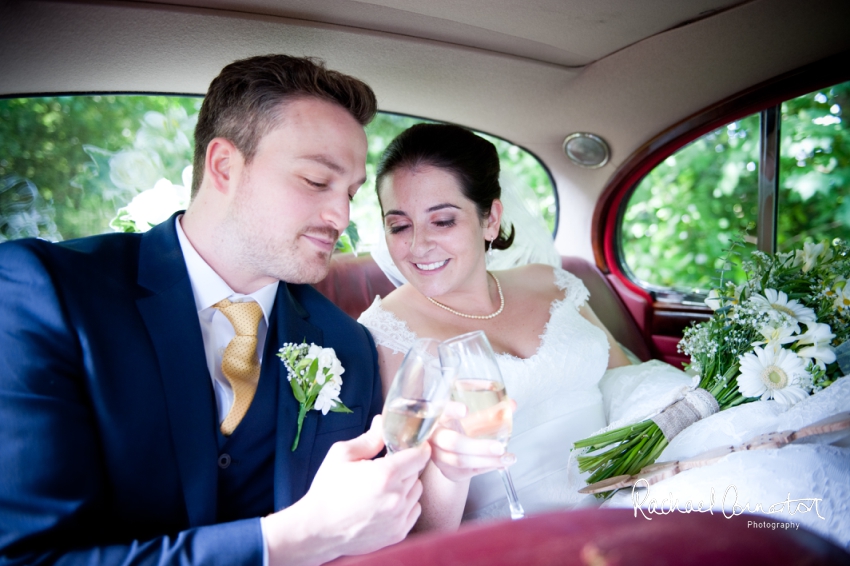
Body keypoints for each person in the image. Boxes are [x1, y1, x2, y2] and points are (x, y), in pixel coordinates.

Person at [0, 55, 431, 565]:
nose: (342, 216)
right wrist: (289, 540)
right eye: (317, 182)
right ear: (224, 166)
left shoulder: (348, 345)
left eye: (352, 193)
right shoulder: (45, 292)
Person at [357, 123, 633, 529]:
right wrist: (449, 469)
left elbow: (630, 384)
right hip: (510, 539)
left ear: (490, 219)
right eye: (399, 226)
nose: (417, 245)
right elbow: (414, 526)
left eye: (443, 221)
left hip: (633, 499)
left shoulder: (551, 282)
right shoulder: (384, 333)